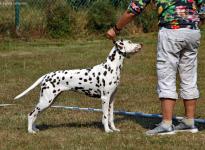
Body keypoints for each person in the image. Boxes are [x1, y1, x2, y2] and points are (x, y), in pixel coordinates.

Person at [106, 0, 205, 135]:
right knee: (189, 75)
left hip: (171, 31)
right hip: (192, 31)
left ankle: (166, 124)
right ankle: (189, 121)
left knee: (166, 75)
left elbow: (134, 9)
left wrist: (115, 29)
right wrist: (200, 19)